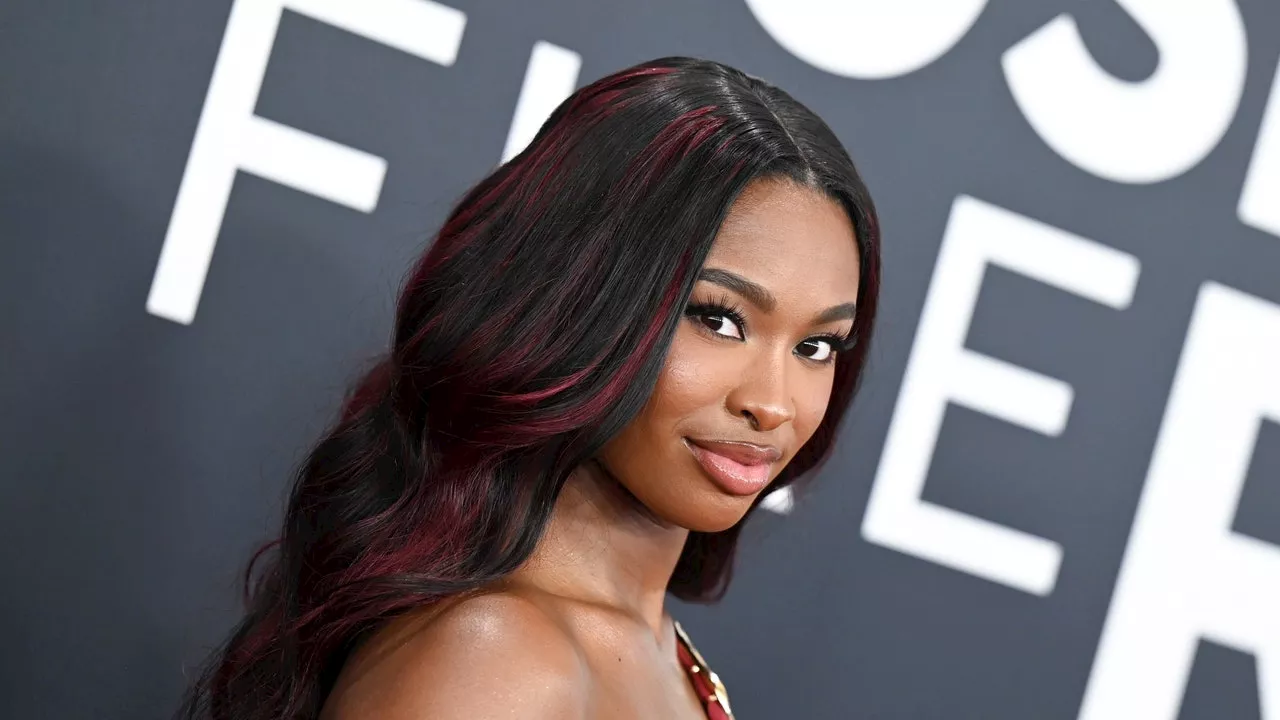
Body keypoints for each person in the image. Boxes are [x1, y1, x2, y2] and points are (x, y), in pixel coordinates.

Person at [179, 56, 881, 720]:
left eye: (816, 346)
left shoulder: (654, 644)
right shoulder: (496, 658)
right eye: (719, 320)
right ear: (579, 299)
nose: (774, 402)